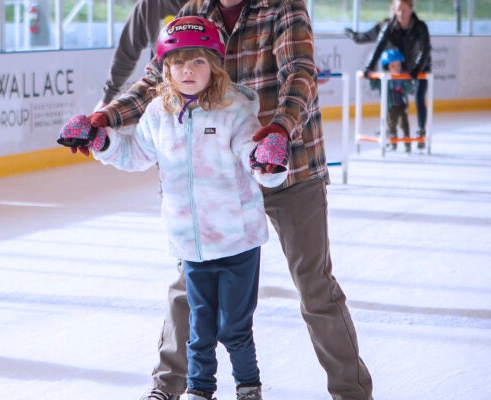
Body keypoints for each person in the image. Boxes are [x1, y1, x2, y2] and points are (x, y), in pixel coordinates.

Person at [85, 1, 374, 399]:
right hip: (216, 178)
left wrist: (279, 131)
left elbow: (300, 74)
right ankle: (167, 387)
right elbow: (157, 77)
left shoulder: (283, 7)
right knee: (189, 282)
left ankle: (351, 393)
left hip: (288, 162)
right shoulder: (196, 8)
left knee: (315, 287)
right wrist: (107, 118)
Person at [59, 16, 289, 400]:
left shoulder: (234, 110)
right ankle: (200, 390)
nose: (188, 70)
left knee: (234, 327)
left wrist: (267, 161)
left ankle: (249, 387)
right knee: (199, 327)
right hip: (190, 244)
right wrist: (101, 140)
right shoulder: (158, 114)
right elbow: (135, 154)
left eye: (198, 61)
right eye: (179, 62)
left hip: (236, 241)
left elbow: (252, 154)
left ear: (214, 65)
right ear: (165, 68)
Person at [364, 0, 431, 149]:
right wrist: (368, 67)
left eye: (403, 10)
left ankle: (421, 131)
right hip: (405, 65)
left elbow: (425, 50)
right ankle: (391, 129)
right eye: (397, 10)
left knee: (419, 97)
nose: (400, 14)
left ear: (411, 9)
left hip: (421, 65)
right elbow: (379, 46)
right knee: (394, 96)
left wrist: (416, 71)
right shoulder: (390, 26)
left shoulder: (420, 27)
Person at [100, 0, 188, 107]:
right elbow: (126, 52)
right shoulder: (149, 4)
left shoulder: (209, 6)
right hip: (166, 92)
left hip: (208, 94)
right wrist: (107, 98)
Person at [369, 49, 414, 152]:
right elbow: (373, 86)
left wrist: (407, 80)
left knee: (404, 124)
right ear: (387, 66)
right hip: (390, 106)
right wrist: (372, 76)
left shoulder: (402, 76)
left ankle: (408, 144)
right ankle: (393, 144)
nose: (396, 68)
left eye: (398, 65)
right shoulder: (383, 77)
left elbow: (409, 89)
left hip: (401, 105)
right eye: (393, 66)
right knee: (391, 125)